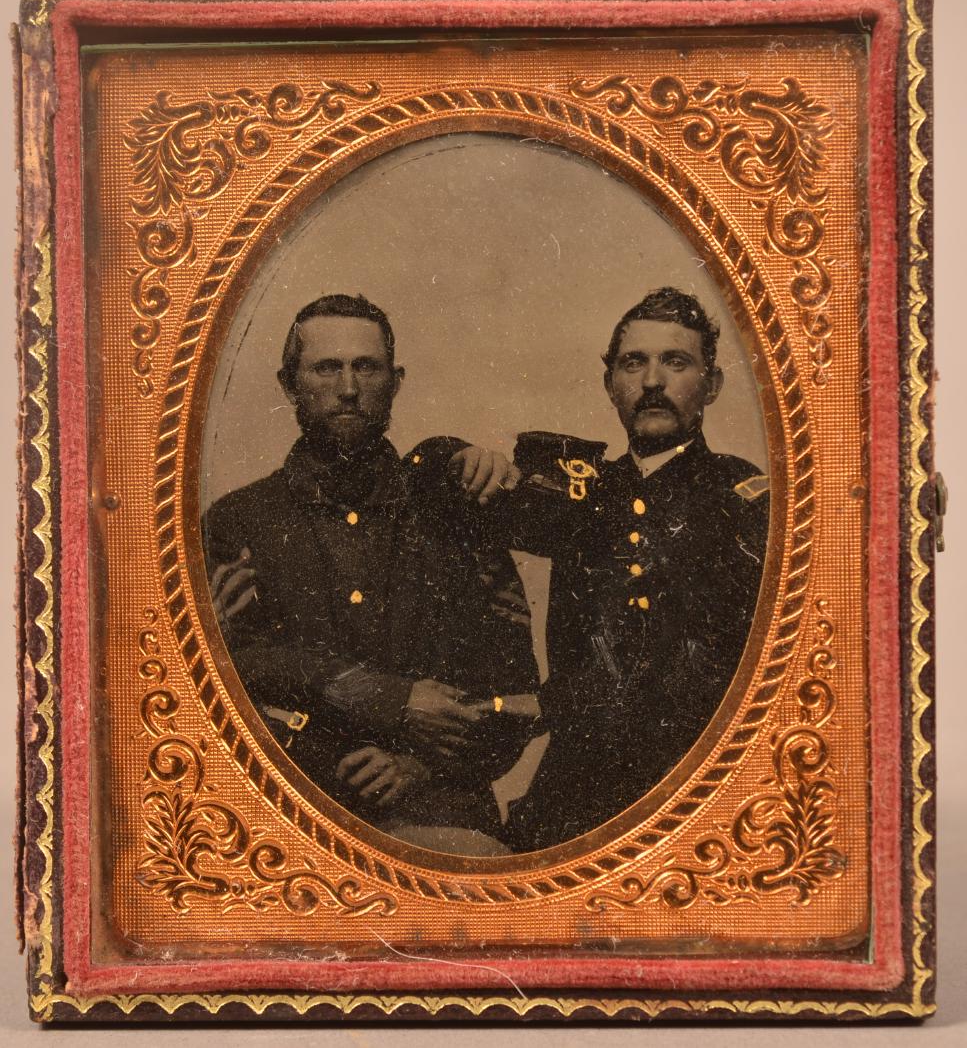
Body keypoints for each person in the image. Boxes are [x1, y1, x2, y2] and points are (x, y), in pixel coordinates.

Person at [203, 294, 537, 855]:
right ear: (289, 384)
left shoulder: (452, 509)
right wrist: (388, 698)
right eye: (327, 367)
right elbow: (230, 670)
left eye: (367, 367)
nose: (349, 388)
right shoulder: (237, 522)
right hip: (287, 806)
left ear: (396, 380)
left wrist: (419, 767)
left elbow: (513, 690)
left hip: (440, 808)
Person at [470, 286, 771, 850]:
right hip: (574, 788)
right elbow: (437, 491)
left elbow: (704, 669)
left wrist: (547, 704)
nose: (652, 381)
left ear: (712, 384)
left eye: (675, 362)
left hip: (693, 787)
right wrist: (456, 456)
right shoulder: (586, 492)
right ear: (611, 384)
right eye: (634, 363)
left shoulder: (744, 502)